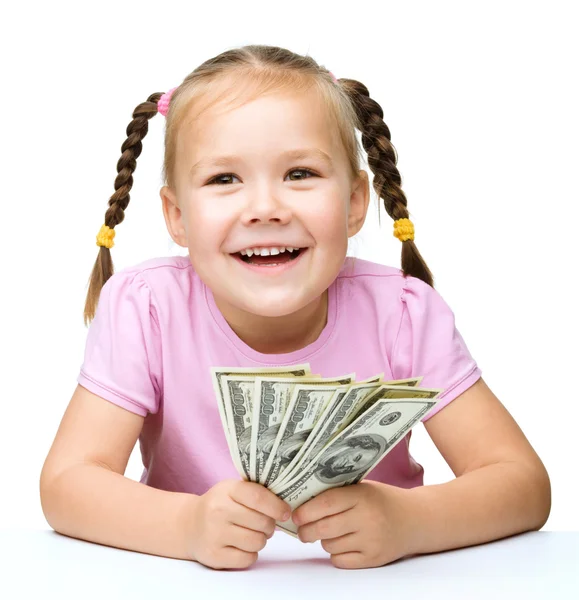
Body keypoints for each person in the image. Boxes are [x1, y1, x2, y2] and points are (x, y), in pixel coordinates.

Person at [39, 44, 551, 571]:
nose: (265, 209)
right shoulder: (145, 307)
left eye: (300, 173)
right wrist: (185, 527)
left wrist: (409, 522)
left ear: (355, 202)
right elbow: (67, 484)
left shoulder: (403, 313)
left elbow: (523, 484)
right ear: (177, 216)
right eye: (224, 179)